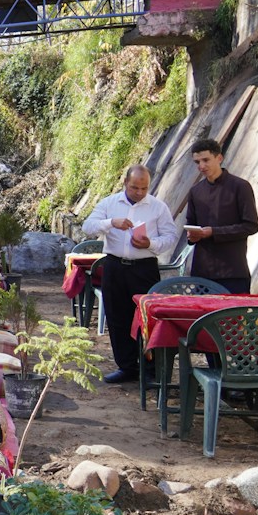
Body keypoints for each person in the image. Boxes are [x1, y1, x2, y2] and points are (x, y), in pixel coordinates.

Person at [82, 164, 180, 384]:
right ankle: (126, 366)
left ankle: (151, 370)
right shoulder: (110, 203)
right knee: (118, 318)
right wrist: (111, 223)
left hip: (144, 268)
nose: (139, 192)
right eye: (135, 187)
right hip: (115, 266)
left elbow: (171, 236)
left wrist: (150, 243)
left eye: (144, 188)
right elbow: (88, 226)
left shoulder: (158, 207)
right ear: (126, 183)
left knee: (148, 318)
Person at [185, 137, 258, 294]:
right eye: (197, 162)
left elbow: (251, 226)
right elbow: (191, 224)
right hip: (202, 271)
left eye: (206, 160)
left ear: (219, 158)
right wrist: (192, 237)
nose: (201, 166)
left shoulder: (240, 187)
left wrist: (214, 232)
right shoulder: (195, 191)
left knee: (235, 318)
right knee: (202, 318)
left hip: (233, 270)